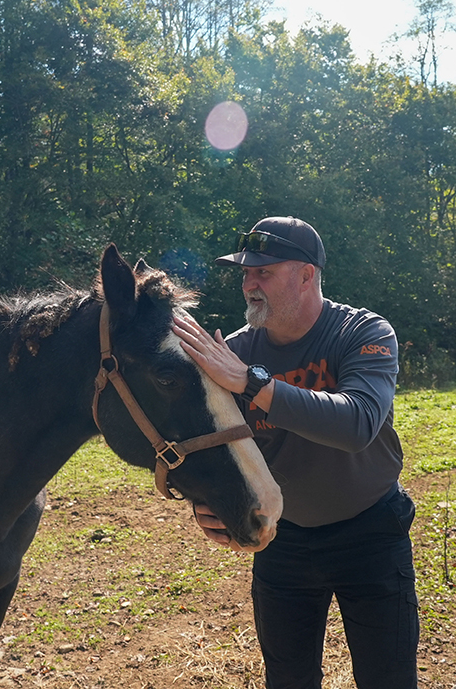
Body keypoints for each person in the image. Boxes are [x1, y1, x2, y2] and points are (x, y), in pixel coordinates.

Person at [173, 216, 419, 689]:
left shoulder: (362, 332)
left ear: (306, 275)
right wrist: (208, 505)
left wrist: (251, 382)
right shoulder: (233, 353)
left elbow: (358, 424)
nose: (249, 284)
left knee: (388, 678)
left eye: (263, 272)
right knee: (288, 680)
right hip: (284, 543)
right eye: (246, 273)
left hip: (370, 534)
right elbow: (212, 446)